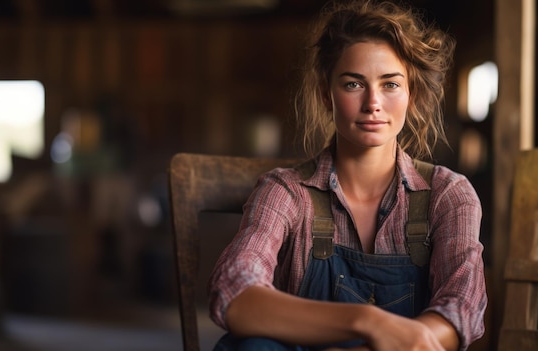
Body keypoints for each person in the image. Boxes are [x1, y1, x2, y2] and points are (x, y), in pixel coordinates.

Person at [208, 1, 487, 350]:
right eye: (354, 84)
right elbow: (233, 291)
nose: (373, 102)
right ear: (327, 95)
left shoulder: (447, 195)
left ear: (410, 94)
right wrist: (368, 321)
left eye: (390, 84)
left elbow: (460, 310)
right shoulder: (287, 192)